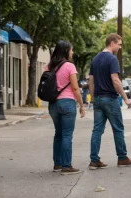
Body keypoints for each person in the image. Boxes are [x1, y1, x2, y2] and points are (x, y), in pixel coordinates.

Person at [88, 33, 131, 169]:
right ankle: (122, 158)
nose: (120, 48)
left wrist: (93, 97)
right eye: (119, 45)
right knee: (118, 129)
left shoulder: (95, 59)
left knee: (97, 130)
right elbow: (115, 80)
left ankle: (94, 160)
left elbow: (90, 80)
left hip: (98, 98)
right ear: (112, 43)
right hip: (110, 98)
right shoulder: (112, 59)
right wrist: (126, 98)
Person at [47, 40, 85, 175]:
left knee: (58, 134)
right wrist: (81, 105)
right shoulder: (70, 66)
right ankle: (66, 166)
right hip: (67, 103)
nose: (72, 52)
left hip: (52, 104)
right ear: (66, 51)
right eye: (71, 50)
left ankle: (57, 164)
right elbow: (75, 88)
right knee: (67, 135)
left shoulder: (49, 66)